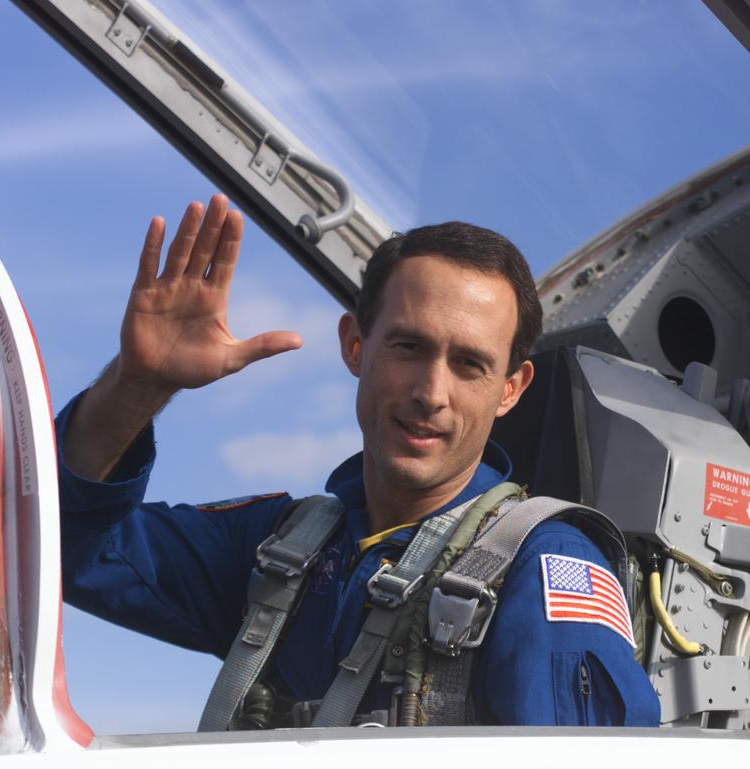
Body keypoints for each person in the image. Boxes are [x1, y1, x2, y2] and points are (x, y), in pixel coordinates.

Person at [57, 194, 661, 727]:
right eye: (408, 346)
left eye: (470, 364)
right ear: (354, 344)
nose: (431, 392)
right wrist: (136, 386)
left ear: (511, 388)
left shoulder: (542, 567)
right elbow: (63, 545)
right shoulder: (280, 551)